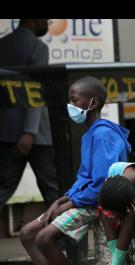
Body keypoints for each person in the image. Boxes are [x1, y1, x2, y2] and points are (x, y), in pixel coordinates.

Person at [18, 76, 131, 265]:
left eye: (74, 99)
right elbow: (83, 177)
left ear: (92, 103)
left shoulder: (103, 135)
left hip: (100, 202)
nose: (70, 104)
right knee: (27, 232)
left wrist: (71, 202)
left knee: (44, 237)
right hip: (83, 198)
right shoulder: (89, 134)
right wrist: (63, 200)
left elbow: (102, 185)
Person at [0, 19, 59, 209]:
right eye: (46, 20)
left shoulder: (3, 44)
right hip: (35, 135)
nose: (47, 24)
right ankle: (64, 237)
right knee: (53, 190)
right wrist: (29, 131)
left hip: (6, 132)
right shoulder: (37, 47)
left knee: (3, 186)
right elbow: (36, 92)